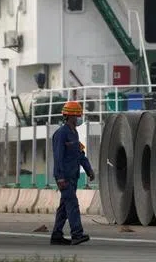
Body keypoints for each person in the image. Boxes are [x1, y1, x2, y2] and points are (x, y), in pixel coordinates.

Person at [51, 100, 94, 246]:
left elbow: (80, 154)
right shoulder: (61, 134)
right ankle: (77, 234)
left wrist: (89, 170)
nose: (79, 118)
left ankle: (56, 235)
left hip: (73, 176)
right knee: (72, 205)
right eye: (77, 116)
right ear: (69, 116)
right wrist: (60, 177)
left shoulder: (74, 134)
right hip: (64, 178)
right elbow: (58, 157)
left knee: (64, 207)